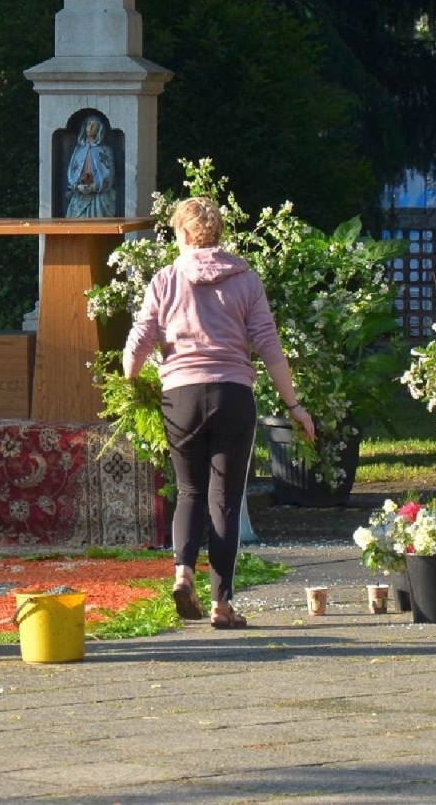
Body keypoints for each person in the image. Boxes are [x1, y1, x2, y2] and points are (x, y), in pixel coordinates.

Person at [122, 198, 314, 628]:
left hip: (181, 397)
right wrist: (293, 405)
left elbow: (140, 341)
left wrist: (131, 378)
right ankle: (222, 605)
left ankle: (182, 571)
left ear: (185, 234)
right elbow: (268, 345)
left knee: (189, 490)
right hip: (233, 395)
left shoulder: (166, 279)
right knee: (225, 499)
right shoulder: (245, 279)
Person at [64, 114, 117, 218]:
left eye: (94, 125)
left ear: (99, 129)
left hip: (99, 197)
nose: (91, 128)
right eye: (89, 124)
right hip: (80, 195)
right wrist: (77, 186)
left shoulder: (105, 150)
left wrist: (95, 186)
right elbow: (72, 171)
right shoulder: (78, 151)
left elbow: (110, 174)